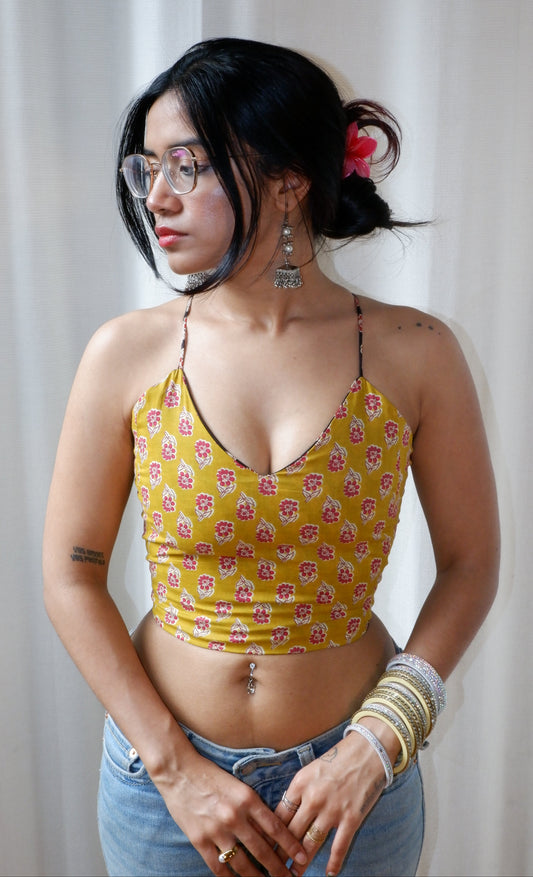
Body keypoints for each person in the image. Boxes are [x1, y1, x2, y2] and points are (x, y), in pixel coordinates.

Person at [42, 37, 499, 877]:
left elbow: (469, 565)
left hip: (354, 790)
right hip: (166, 792)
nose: (157, 196)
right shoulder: (126, 353)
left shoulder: (415, 350)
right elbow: (71, 572)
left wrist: (378, 739)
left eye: (187, 165)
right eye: (147, 169)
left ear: (289, 181)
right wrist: (176, 771)